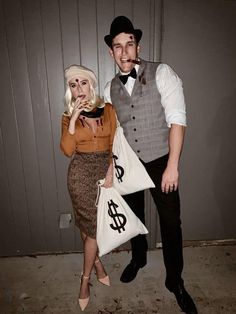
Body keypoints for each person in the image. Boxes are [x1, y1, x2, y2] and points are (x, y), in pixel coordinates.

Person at [103, 16, 197, 314]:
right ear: (112, 52)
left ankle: (175, 281)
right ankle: (139, 258)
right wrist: (110, 171)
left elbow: (177, 119)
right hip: (129, 163)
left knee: (171, 223)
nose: (124, 51)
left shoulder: (162, 72)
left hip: (160, 161)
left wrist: (173, 165)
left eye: (129, 43)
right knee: (134, 217)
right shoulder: (109, 89)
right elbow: (113, 134)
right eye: (117, 46)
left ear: (137, 45)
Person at [60, 65, 117, 311]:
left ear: (91, 85)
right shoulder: (66, 116)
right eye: (73, 85)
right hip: (80, 173)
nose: (79, 89)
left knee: (89, 227)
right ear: (69, 90)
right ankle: (85, 281)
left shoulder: (108, 110)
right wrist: (73, 119)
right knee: (91, 229)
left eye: (83, 83)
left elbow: (116, 142)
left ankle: (98, 264)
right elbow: (66, 150)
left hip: (105, 171)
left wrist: (111, 170)